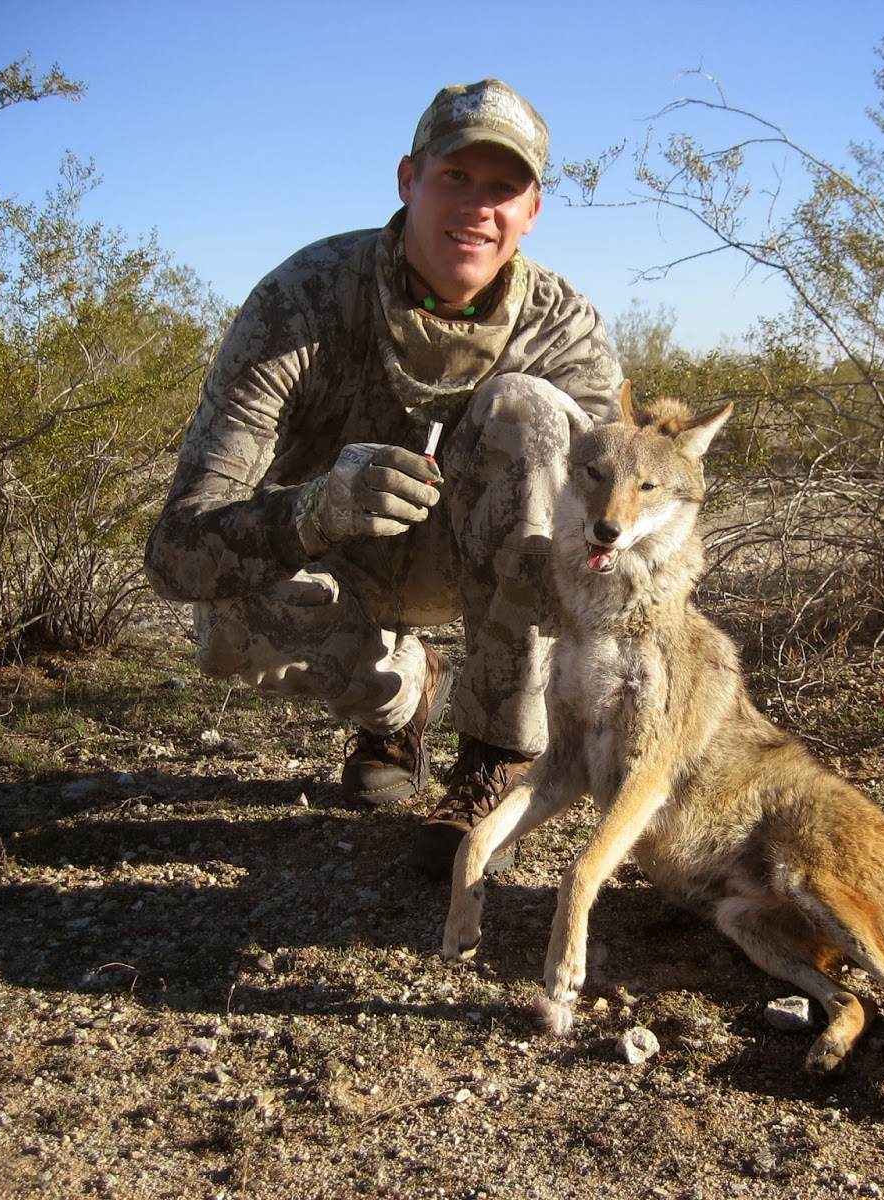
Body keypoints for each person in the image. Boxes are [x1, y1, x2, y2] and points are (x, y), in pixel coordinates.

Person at [144, 79, 622, 873]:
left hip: (488, 565)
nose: (477, 206)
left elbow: (603, 540)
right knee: (227, 620)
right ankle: (399, 700)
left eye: (503, 187)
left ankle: (495, 760)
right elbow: (175, 553)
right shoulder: (301, 300)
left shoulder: (565, 329)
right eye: (454, 178)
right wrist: (311, 512)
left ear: (531, 210)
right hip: (337, 561)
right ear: (409, 180)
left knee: (532, 412)